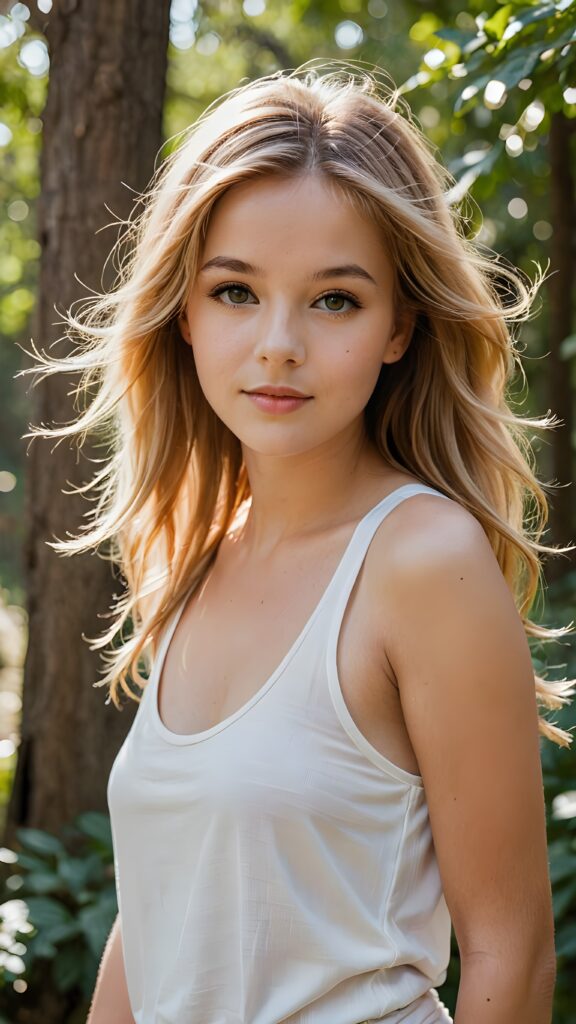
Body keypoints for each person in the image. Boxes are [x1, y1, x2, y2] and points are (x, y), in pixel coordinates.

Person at [23, 63, 574, 1024]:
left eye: (334, 301)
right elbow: (156, 923)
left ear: (400, 326)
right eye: (236, 291)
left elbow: (511, 955)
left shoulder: (421, 562)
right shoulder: (198, 557)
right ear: (183, 312)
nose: (279, 344)